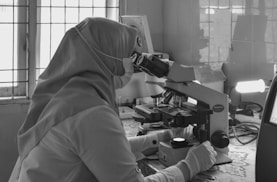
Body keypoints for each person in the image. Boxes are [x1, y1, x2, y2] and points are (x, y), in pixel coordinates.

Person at [8, 17, 217, 182]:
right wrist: (190, 165)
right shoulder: (91, 113)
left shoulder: (67, 94)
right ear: (106, 58)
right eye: (129, 56)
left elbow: (105, 149)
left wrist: (164, 137)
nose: (132, 66)